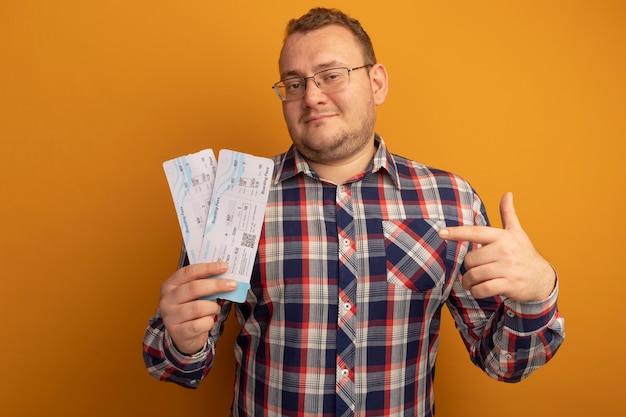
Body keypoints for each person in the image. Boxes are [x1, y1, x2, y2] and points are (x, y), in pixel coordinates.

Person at [143, 7, 565, 417]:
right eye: (293, 83)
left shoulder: (450, 200)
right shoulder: (235, 198)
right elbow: (176, 364)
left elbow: (503, 362)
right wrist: (181, 342)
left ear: (377, 83)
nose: (311, 96)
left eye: (331, 75)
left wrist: (537, 293)